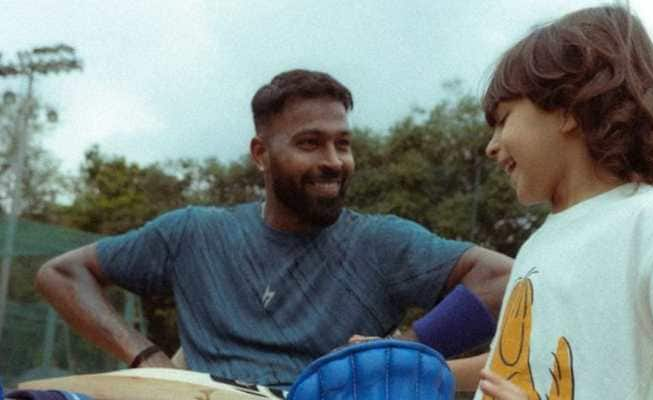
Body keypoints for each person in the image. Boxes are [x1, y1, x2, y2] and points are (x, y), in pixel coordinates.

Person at [35, 69, 512, 390]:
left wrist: (403, 351)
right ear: (261, 153)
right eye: (310, 143)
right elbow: (61, 273)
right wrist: (144, 356)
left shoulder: (381, 243)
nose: (333, 161)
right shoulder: (194, 232)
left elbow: (504, 278)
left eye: (342, 144)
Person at [452, 5, 653, 400]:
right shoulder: (538, 244)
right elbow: (520, 364)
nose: (491, 146)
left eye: (503, 118)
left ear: (568, 109)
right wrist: (419, 367)